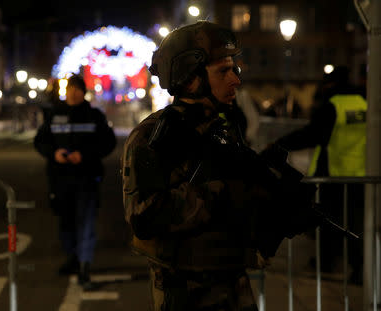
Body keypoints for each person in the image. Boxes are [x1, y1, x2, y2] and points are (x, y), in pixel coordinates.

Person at [122, 21, 318, 311]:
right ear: (191, 77)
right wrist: (224, 192)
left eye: (234, 69)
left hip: (231, 281)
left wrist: (276, 209)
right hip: (186, 291)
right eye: (223, 71)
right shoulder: (153, 137)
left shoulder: (220, 128)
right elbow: (145, 216)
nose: (235, 80)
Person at [270, 65, 366, 283]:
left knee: (329, 221)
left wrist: (280, 145)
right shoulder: (364, 103)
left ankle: (328, 263)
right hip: (360, 174)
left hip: (334, 172)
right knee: (355, 223)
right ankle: (358, 267)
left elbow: (312, 134)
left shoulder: (333, 105)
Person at [34, 74, 116, 289]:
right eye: (71, 88)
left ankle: (84, 266)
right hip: (60, 179)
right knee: (66, 221)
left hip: (86, 177)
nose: (74, 92)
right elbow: (40, 141)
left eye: (78, 89)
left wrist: (85, 155)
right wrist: (55, 154)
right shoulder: (54, 114)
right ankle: (72, 258)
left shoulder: (94, 116)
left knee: (86, 222)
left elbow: (108, 142)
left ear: (84, 92)